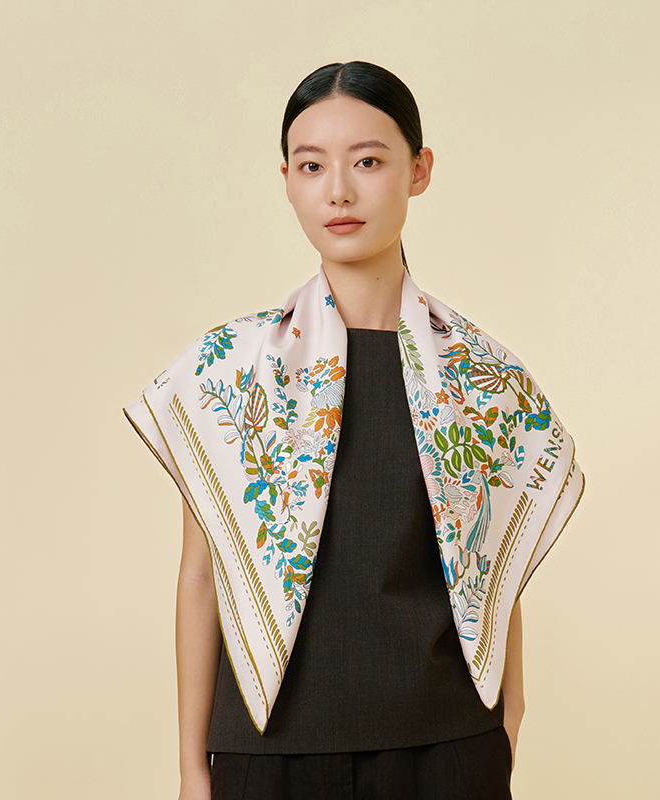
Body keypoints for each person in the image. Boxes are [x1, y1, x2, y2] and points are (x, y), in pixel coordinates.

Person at [124, 61, 584, 800]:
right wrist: (190, 769)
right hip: (266, 755)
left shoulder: (481, 376)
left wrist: (510, 718)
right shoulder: (229, 372)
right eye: (312, 166)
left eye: (368, 161)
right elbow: (202, 576)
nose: (338, 191)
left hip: (446, 747)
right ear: (287, 180)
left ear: (419, 170)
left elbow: (491, 567)